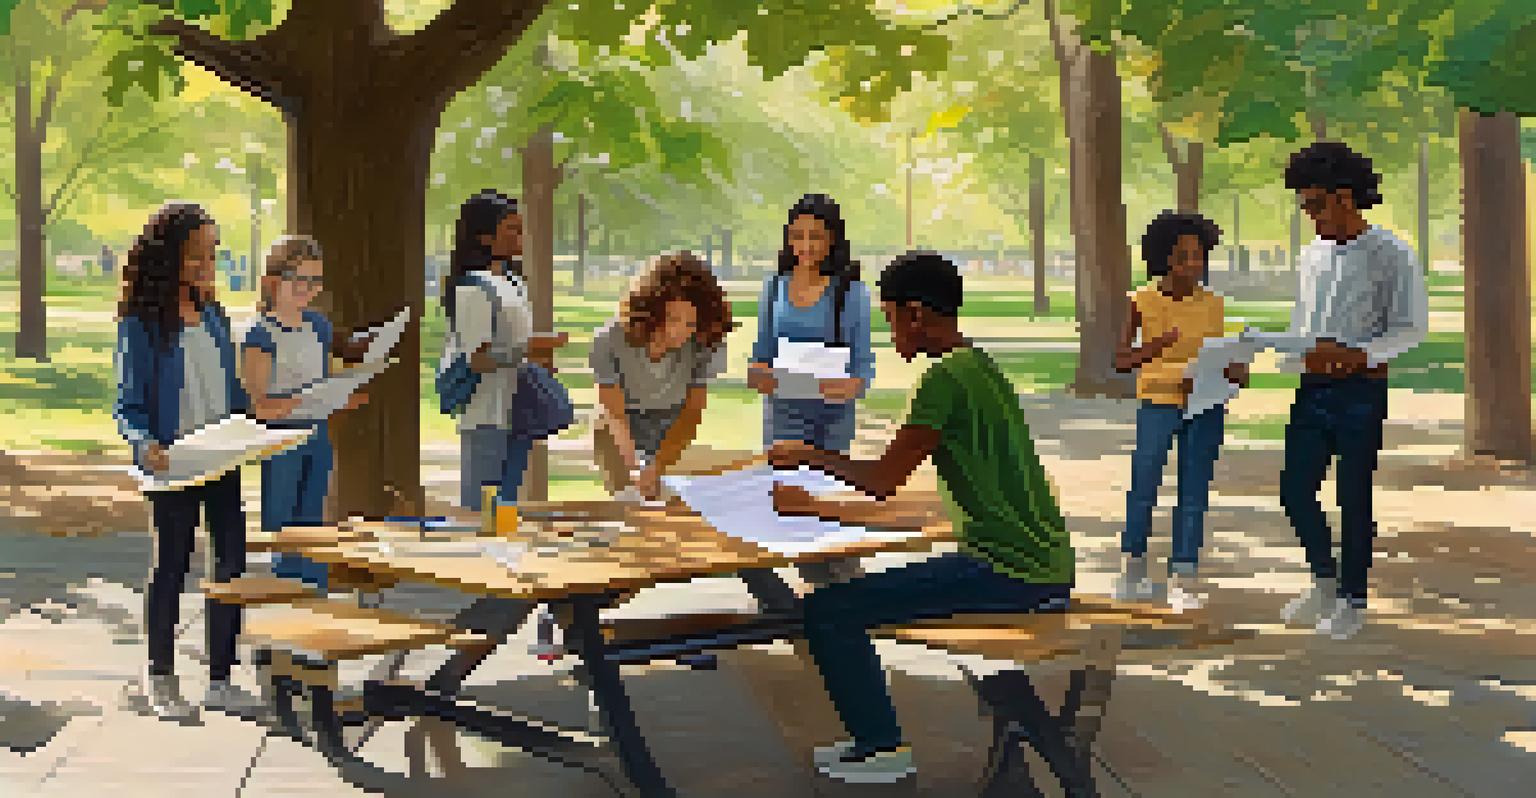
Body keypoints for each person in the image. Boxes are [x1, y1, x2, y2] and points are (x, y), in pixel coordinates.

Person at [766, 251, 1074, 784]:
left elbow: (883, 481)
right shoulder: (978, 365)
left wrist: (810, 467)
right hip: (1040, 564)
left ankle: (881, 750)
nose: (890, 334)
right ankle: (875, 743)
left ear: (913, 313)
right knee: (848, 602)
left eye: (888, 318)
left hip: (1009, 574)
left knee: (829, 611)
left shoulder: (942, 379)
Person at [1275, 142, 1428, 640]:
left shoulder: (1393, 252)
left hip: (1361, 390)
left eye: (1315, 203)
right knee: (1295, 491)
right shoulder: (1311, 255)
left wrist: (1357, 356)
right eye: (1306, 206)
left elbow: (1410, 329)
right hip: (1312, 385)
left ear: (1345, 197)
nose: (1310, 214)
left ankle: (1352, 600)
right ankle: (1324, 580)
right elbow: (1302, 322)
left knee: (1353, 495)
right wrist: (1287, 353)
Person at [115, 203, 253, 720]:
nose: (204, 264)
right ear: (169, 255)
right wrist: (143, 442)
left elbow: (230, 391)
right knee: (172, 565)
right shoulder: (142, 323)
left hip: (222, 459)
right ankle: (161, 678)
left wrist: (258, 423)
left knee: (231, 566)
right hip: (171, 463)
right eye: (195, 254)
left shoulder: (215, 316)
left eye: (210, 254)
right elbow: (128, 404)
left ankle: (220, 679)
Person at [743, 194, 876, 606]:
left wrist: (846, 387)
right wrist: (758, 374)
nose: (805, 246)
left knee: (825, 505)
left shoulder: (850, 292)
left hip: (831, 415)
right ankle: (802, 596)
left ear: (832, 240)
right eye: (798, 236)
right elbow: (761, 353)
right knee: (786, 504)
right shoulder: (774, 287)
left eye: (815, 237)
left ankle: (845, 590)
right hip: (784, 413)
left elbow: (862, 366)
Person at [1112, 211, 1246, 611]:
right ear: (1162, 258)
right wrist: (1159, 345)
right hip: (1158, 402)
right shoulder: (1139, 301)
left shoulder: (1214, 304)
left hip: (1204, 405)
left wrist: (1235, 371)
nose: (1194, 264)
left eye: (1199, 256)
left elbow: (1219, 356)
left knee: (1194, 491)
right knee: (1144, 485)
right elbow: (1122, 360)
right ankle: (1132, 568)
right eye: (1184, 256)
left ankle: (1183, 576)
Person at [240, 235, 372, 592]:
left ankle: (315, 600)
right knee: (285, 529)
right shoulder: (260, 334)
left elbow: (324, 383)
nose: (308, 289)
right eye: (300, 280)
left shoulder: (319, 327)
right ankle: (285, 609)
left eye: (315, 281)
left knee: (314, 526)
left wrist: (343, 397)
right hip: (281, 440)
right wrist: (307, 399)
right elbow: (259, 406)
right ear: (273, 281)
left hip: (317, 436)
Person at [441, 190, 562, 512]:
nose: (520, 237)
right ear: (484, 235)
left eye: (520, 229)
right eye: (511, 229)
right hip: (487, 412)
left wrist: (537, 354)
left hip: (518, 409)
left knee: (507, 507)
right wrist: (529, 349)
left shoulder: (512, 281)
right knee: (481, 508)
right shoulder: (471, 287)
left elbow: (513, 341)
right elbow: (478, 359)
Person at [590, 251, 733, 501]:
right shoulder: (608, 340)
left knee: (671, 504)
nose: (681, 332)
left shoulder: (706, 342)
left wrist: (658, 465)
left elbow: (691, 413)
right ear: (650, 310)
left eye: (691, 325)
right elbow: (614, 414)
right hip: (618, 427)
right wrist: (634, 467)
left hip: (673, 422)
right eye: (672, 319)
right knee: (629, 504)